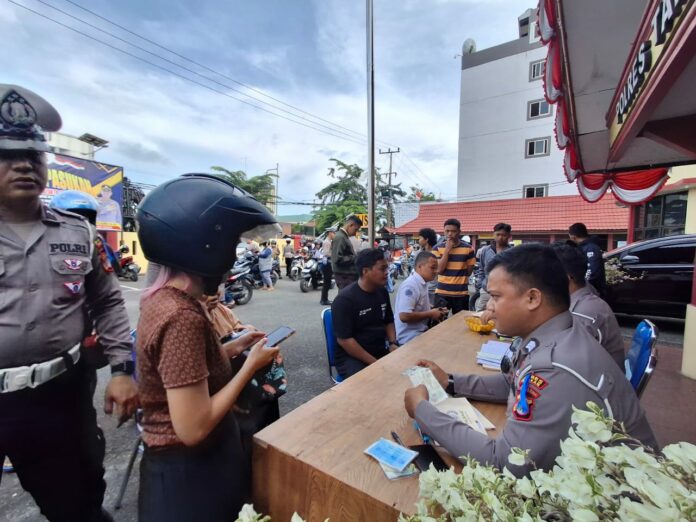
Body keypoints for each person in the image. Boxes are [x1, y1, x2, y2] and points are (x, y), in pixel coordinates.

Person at [0, 84, 138, 521]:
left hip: (59, 395)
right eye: (6, 155)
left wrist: (121, 370)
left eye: (34, 156)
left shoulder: (78, 232)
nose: (24, 164)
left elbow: (109, 302)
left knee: (77, 504)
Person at [403, 244, 657, 476]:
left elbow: (504, 461)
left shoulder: (554, 368)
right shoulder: (559, 332)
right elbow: (513, 383)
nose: (489, 306)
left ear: (533, 298)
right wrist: (450, 381)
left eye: (496, 296)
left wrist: (423, 411)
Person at [135, 173, 281, 521]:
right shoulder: (181, 315)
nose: (233, 256)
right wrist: (250, 367)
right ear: (202, 244)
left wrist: (233, 347)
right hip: (190, 480)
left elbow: (182, 369)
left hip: (186, 472)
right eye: (230, 243)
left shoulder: (164, 300)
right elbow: (193, 427)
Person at [553, 242, 625, 368]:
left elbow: (566, 365)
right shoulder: (587, 297)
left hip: (598, 383)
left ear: (566, 278)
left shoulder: (580, 315)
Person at [331, 248, 398, 378]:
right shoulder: (345, 300)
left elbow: (388, 320)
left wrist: (392, 343)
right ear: (365, 271)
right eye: (382, 269)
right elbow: (345, 341)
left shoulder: (382, 292)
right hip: (352, 357)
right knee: (373, 380)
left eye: (387, 268)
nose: (386, 273)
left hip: (379, 350)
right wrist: (375, 363)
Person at [394, 251, 447, 345]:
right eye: (432, 268)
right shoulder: (410, 285)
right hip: (409, 338)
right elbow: (404, 316)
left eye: (436, 268)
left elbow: (418, 305)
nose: (436, 271)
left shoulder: (422, 283)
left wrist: (435, 310)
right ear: (420, 266)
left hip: (420, 333)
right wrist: (430, 314)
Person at [433, 218, 476, 314]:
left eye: (453, 231)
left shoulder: (468, 249)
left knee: (460, 324)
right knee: (439, 324)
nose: (450, 234)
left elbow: (469, 272)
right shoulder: (437, 248)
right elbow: (439, 270)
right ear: (443, 231)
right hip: (441, 293)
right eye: (447, 231)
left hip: (461, 294)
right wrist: (447, 250)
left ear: (459, 232)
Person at [475, 223, 512, 312]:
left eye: (503, 235)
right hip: (486, 290)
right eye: (498, 234)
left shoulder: (513, 253)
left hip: (504, 291)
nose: (500, 237)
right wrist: (481, 284)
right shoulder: (485, 251)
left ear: (509, 236)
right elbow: (481, 269)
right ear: (493, 235)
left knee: (501, 313)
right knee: (480, 313)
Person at [568, 222, 607, 297]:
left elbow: (592, 271)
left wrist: (582, 286)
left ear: (573, 236)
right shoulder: (581, 248)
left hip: (593, 292)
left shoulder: (591, 248)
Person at [331, 214, 362, 290]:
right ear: (351, 225)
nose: (355, 233)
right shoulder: (340, 237)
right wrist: (354, 257)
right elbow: (337, 259)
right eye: (356, 229)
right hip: (345, 276)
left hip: (347, 275)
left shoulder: (343, 236)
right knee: (346, 299)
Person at [418, 227, 438, 306]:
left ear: (426, 239)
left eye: (420, 238)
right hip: (421, 287)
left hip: (432, 287)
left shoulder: (436, 253)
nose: (419, 240)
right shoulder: (420, 253)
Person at [319, 227, 335, 305]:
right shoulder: (327, 242)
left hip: (328, 263)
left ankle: (325, 299)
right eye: (333, 233)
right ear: (329, 233)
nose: (334, 234)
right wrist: (334, 254)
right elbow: (326, 253)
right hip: (327, 264)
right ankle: (324, 299)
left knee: (327, 282)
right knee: (326, 283)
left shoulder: (329, 241)